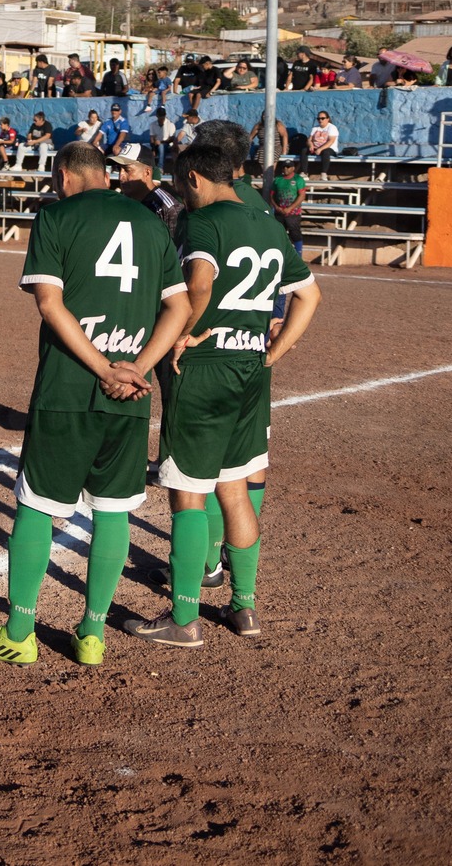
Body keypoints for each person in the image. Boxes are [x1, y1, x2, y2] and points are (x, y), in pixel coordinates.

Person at [0, 142, 190, 668]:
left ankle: (19, 633)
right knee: (112, 511)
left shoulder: (57, 215)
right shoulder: (150, 220)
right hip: (131, 395)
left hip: (68, 388)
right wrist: (134, 367)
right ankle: (92, 635)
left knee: (38, 506)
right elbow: (179, 305)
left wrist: (103, 367)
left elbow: (49, 302)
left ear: (65, 176)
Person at [127, 141, 319, 648]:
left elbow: (202, 285)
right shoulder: (271, 224)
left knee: (188, 491)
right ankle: (245, 607)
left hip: (206, 369)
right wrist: (275, 351)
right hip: (253, 368)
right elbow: (310, 295)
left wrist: (184, 332)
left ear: (193, 178)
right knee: (235, 489)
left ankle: (184, 619)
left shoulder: (204, 222)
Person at [269, 158, 308, 254]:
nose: (286, 169)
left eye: (288, 167)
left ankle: (298, 254)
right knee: (279, 234)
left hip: (293, 213)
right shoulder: (278, 180)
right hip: (280, 212)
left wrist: (290, 208)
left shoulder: (298, 179)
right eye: (284, 167)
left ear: (293, 168)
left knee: (295, 233)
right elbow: (271, 195)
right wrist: (276, 207)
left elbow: (302, 195)